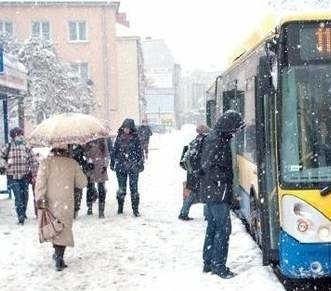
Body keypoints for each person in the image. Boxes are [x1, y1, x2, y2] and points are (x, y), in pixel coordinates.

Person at [200, 110, 244, 279]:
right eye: (235, 129)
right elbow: (208, 166)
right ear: (229, 127)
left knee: (213, 227)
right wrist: (223, 181)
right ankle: (218, 265)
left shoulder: (215, 138)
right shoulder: (216, 141)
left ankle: (208, 262)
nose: (236, 133)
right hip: (217, 192)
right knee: (223, 229)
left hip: (212, 192)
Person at [35, 145, 87, 271]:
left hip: (50, 200)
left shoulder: (46, 163)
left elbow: (40, 182)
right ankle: (59, 256)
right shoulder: (72, 163)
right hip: (66, 200)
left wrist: (40, 197)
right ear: (67, 150)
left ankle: (57, 254)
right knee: (63, 227)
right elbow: (82, 183)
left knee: (54, 227)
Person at [1, 127, 38, 224]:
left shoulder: (26, 147)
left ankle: (23, 211)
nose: (22, 136)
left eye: (22, 134)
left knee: (25, 197)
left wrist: (34, 175)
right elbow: (1, 157)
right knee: (18, 197)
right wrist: (5, 164)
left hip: (24, 176)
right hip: (12, 176)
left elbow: (33, 161)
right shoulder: (8, 146)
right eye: (20, 134)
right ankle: (20, 216)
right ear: (15, 135)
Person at [111, 118, 144, 217]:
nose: (126, 129)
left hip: (133, 166)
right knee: (121, 188)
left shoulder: (136, 138)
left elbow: (139, 152)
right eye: (125, 127)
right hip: (121, 166)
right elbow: (114, 151)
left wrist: (140, 163)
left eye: (128, 128)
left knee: (134, 189)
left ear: (131, 128)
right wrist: (112, 163)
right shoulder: (119, 137)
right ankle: (120, 207)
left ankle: (135, 209)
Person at [178, 124, 210, 221]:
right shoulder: (205, 142)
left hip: (192, 173)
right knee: (206, 193)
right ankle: (208, 215)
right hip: (201, 172)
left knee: (193, 193)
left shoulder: (194, 141)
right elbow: (204, 158)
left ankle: (183, 212)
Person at [84, 139, 109, 218]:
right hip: (91, 167)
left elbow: (106, 155)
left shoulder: (102, 141)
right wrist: (88, 161)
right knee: (90, 188)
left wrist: (105, 165)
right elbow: (84, 154)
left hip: (100, 167)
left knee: (101, 189)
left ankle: (101, 211)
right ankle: (89, 207)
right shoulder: (87, 141)